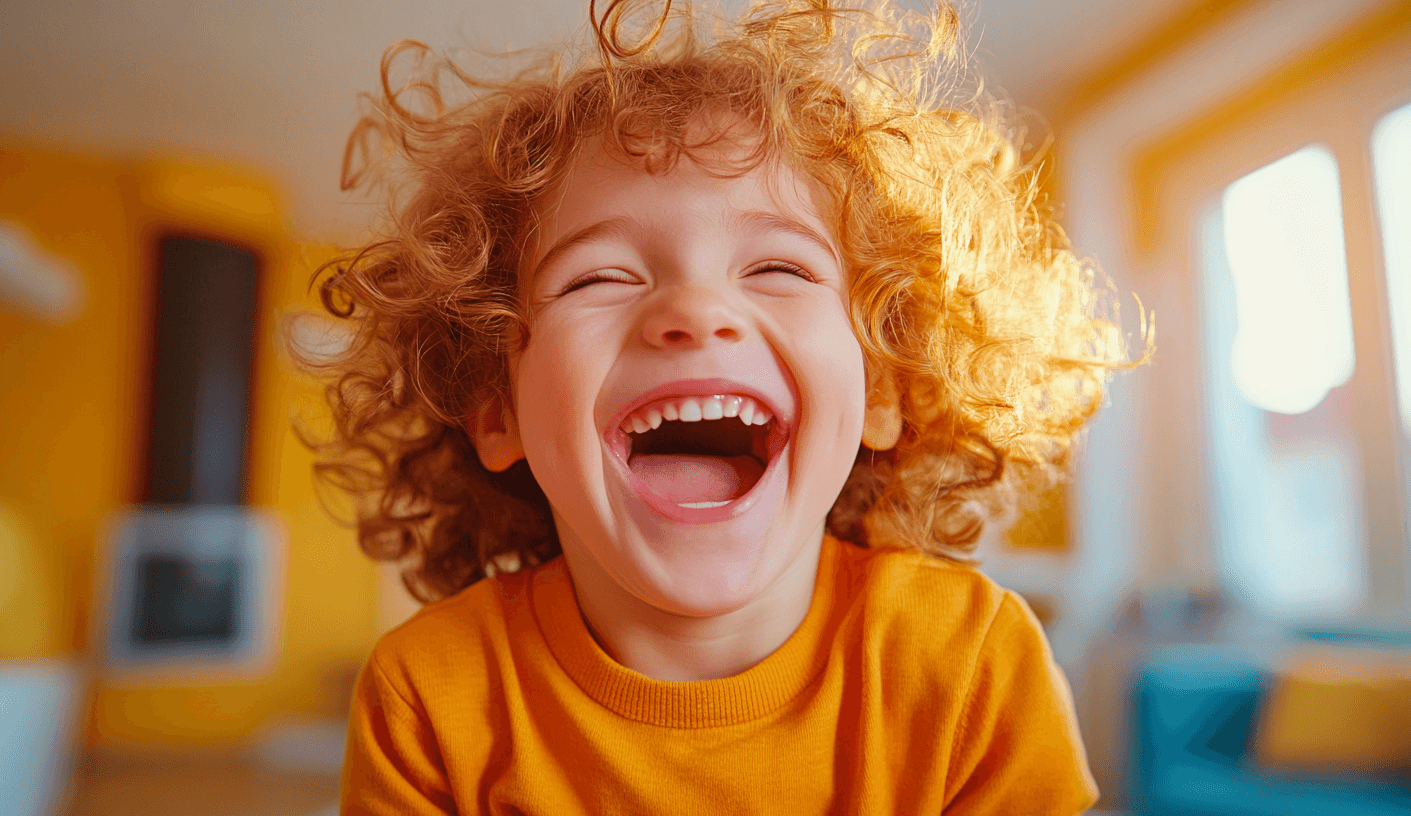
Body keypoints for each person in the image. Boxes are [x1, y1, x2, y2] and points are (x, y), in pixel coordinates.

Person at [313, 0, 1134, 811]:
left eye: (779, 268)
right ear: (498, 411)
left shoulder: (969, 665)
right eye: (600, 276)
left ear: (881, 386)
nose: (695, 311)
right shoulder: (428, 696)